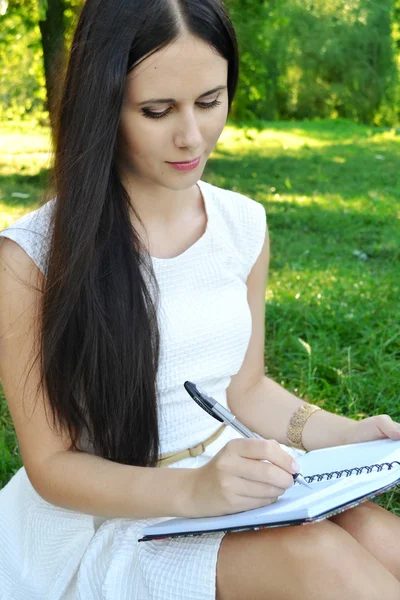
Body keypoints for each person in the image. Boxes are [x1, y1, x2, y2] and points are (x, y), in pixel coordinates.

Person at [0, 0, 399, 598]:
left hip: (234, 481)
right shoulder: (30, 260)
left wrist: (347, 435)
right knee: (319, 556)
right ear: (101, 105)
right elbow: (52, 466)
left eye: (210, 102)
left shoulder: (242, 225)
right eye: (157, 110)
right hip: (112, 518)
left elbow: (245, 390)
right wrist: (194, 491)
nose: (192, 135)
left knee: (376, 534)